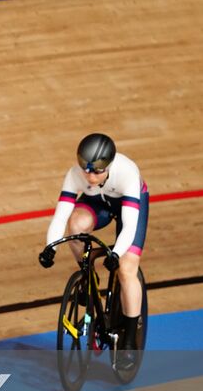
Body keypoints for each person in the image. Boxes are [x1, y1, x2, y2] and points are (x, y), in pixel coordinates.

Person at [39, 133, 149, 359]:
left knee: (127, 269)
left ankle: (129, 339)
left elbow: (129, 225)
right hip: (97, 204)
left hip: (129, 205)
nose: (89, 176)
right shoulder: (74, 175)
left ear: (108, 166)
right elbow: (61, 216)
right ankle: (89, 277)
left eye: (97, 171)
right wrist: (50, 247)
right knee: (76, 224)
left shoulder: (126, 172)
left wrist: (116, 254)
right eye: (85, 169)